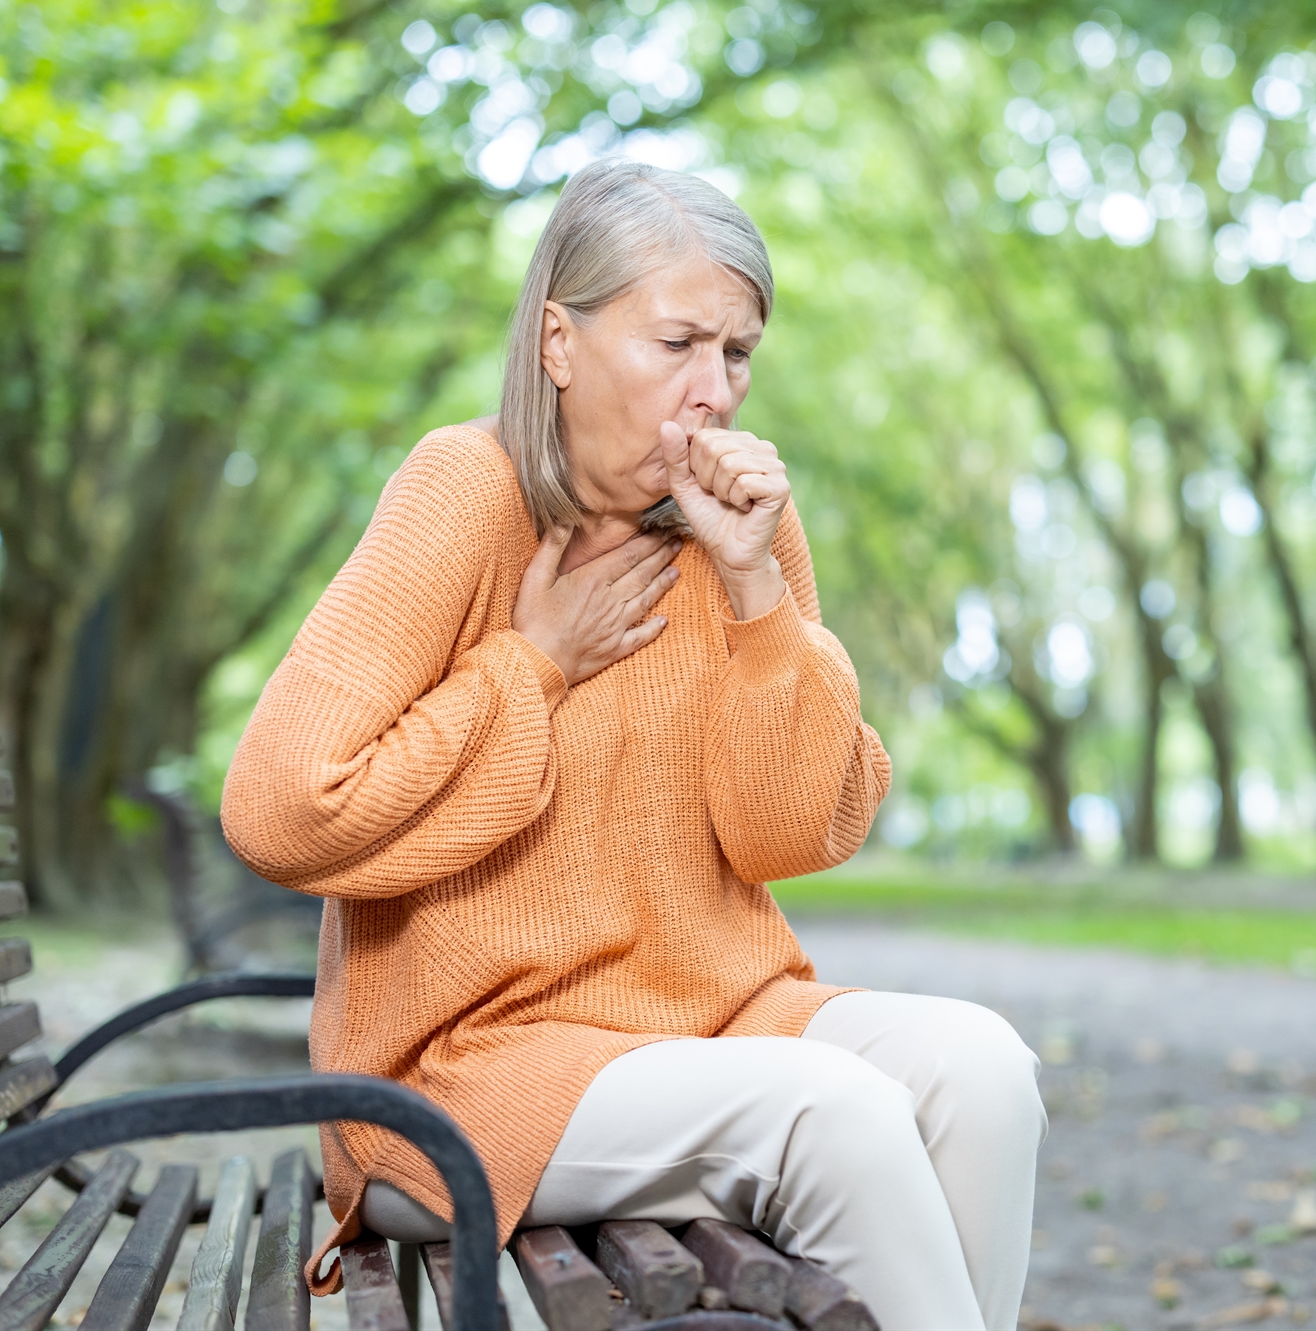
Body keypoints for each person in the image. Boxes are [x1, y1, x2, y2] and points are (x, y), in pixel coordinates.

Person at [221, 158, 1044, 1331]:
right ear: (560, 342)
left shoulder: (744, 527)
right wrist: (530, 667)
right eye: (679, 344)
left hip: (709, 1014)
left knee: (983, 1069)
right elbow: (279, 808)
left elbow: (798, 829)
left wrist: (758, 588)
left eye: (739, 351)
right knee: (834, 1112)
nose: (716, 390)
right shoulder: (466, 492)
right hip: (467, 1064)